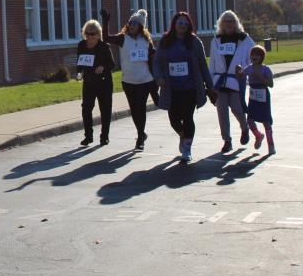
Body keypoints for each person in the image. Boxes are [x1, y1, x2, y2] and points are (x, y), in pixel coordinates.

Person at [153, 12, 214, 162]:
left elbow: (203, 65)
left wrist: (210, 85)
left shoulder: (194, 42)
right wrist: (159, 77)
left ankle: (187, 149)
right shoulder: (165, 41)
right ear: (174, 24)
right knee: (174, 120)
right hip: (171, 88)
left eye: (186, 24)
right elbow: (157, 62)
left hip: (190, 88)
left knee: (188, 118)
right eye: (180, 23)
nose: (183, 26)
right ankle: (182, 134)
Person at [103, 9, 155, 150]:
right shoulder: (123, 38)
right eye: (130, 22)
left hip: (144, 80)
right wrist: (105, 22)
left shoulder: (146, 40)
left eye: (135, 23)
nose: (131, 25)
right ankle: (142, 133)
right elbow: (106, 38)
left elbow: (152, 59)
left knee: (141, 108)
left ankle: (140, 138)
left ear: (140, 26)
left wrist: (156, 79)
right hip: (128, 81)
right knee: (134, 109)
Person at [209, 10, 255, 153]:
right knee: (222, 111)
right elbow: (212, 63)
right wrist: (210, 83)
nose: (229, 24)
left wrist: (246, 72)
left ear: (236, 23)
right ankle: (227, 140)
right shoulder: (216, 40)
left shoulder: (245, 40)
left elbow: (252, 59)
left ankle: (245, 128)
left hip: (236, 80)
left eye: (232, 21)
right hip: (220, 81)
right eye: (226, 21)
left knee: (237, 108)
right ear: (221, 24)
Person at [76, 19, 115, 146]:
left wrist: (103, 67)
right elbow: (79, 62)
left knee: (105, 110)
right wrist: (79, 73)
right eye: (87, 33)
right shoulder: (81, 45)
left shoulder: (104, 47)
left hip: (104, 82)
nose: (90, 36)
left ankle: (104, 136)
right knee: (86, 109)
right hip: (89, 82)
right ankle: (88, 136)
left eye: (92, 34)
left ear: (98, 34)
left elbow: (112, 64)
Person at [237, 45, 275, 154]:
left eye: (257, 55)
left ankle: (271, 144)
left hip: (263, 96)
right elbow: (240, 76)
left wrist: (260, 77)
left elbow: (271, 84)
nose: (254, 57)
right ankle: (258, 136)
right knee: (250, 119)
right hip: (253, 96)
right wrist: (238, 70)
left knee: (266, 121)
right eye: (252, 54)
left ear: (262, 57)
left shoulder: (266, 69)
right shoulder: (249, 68)